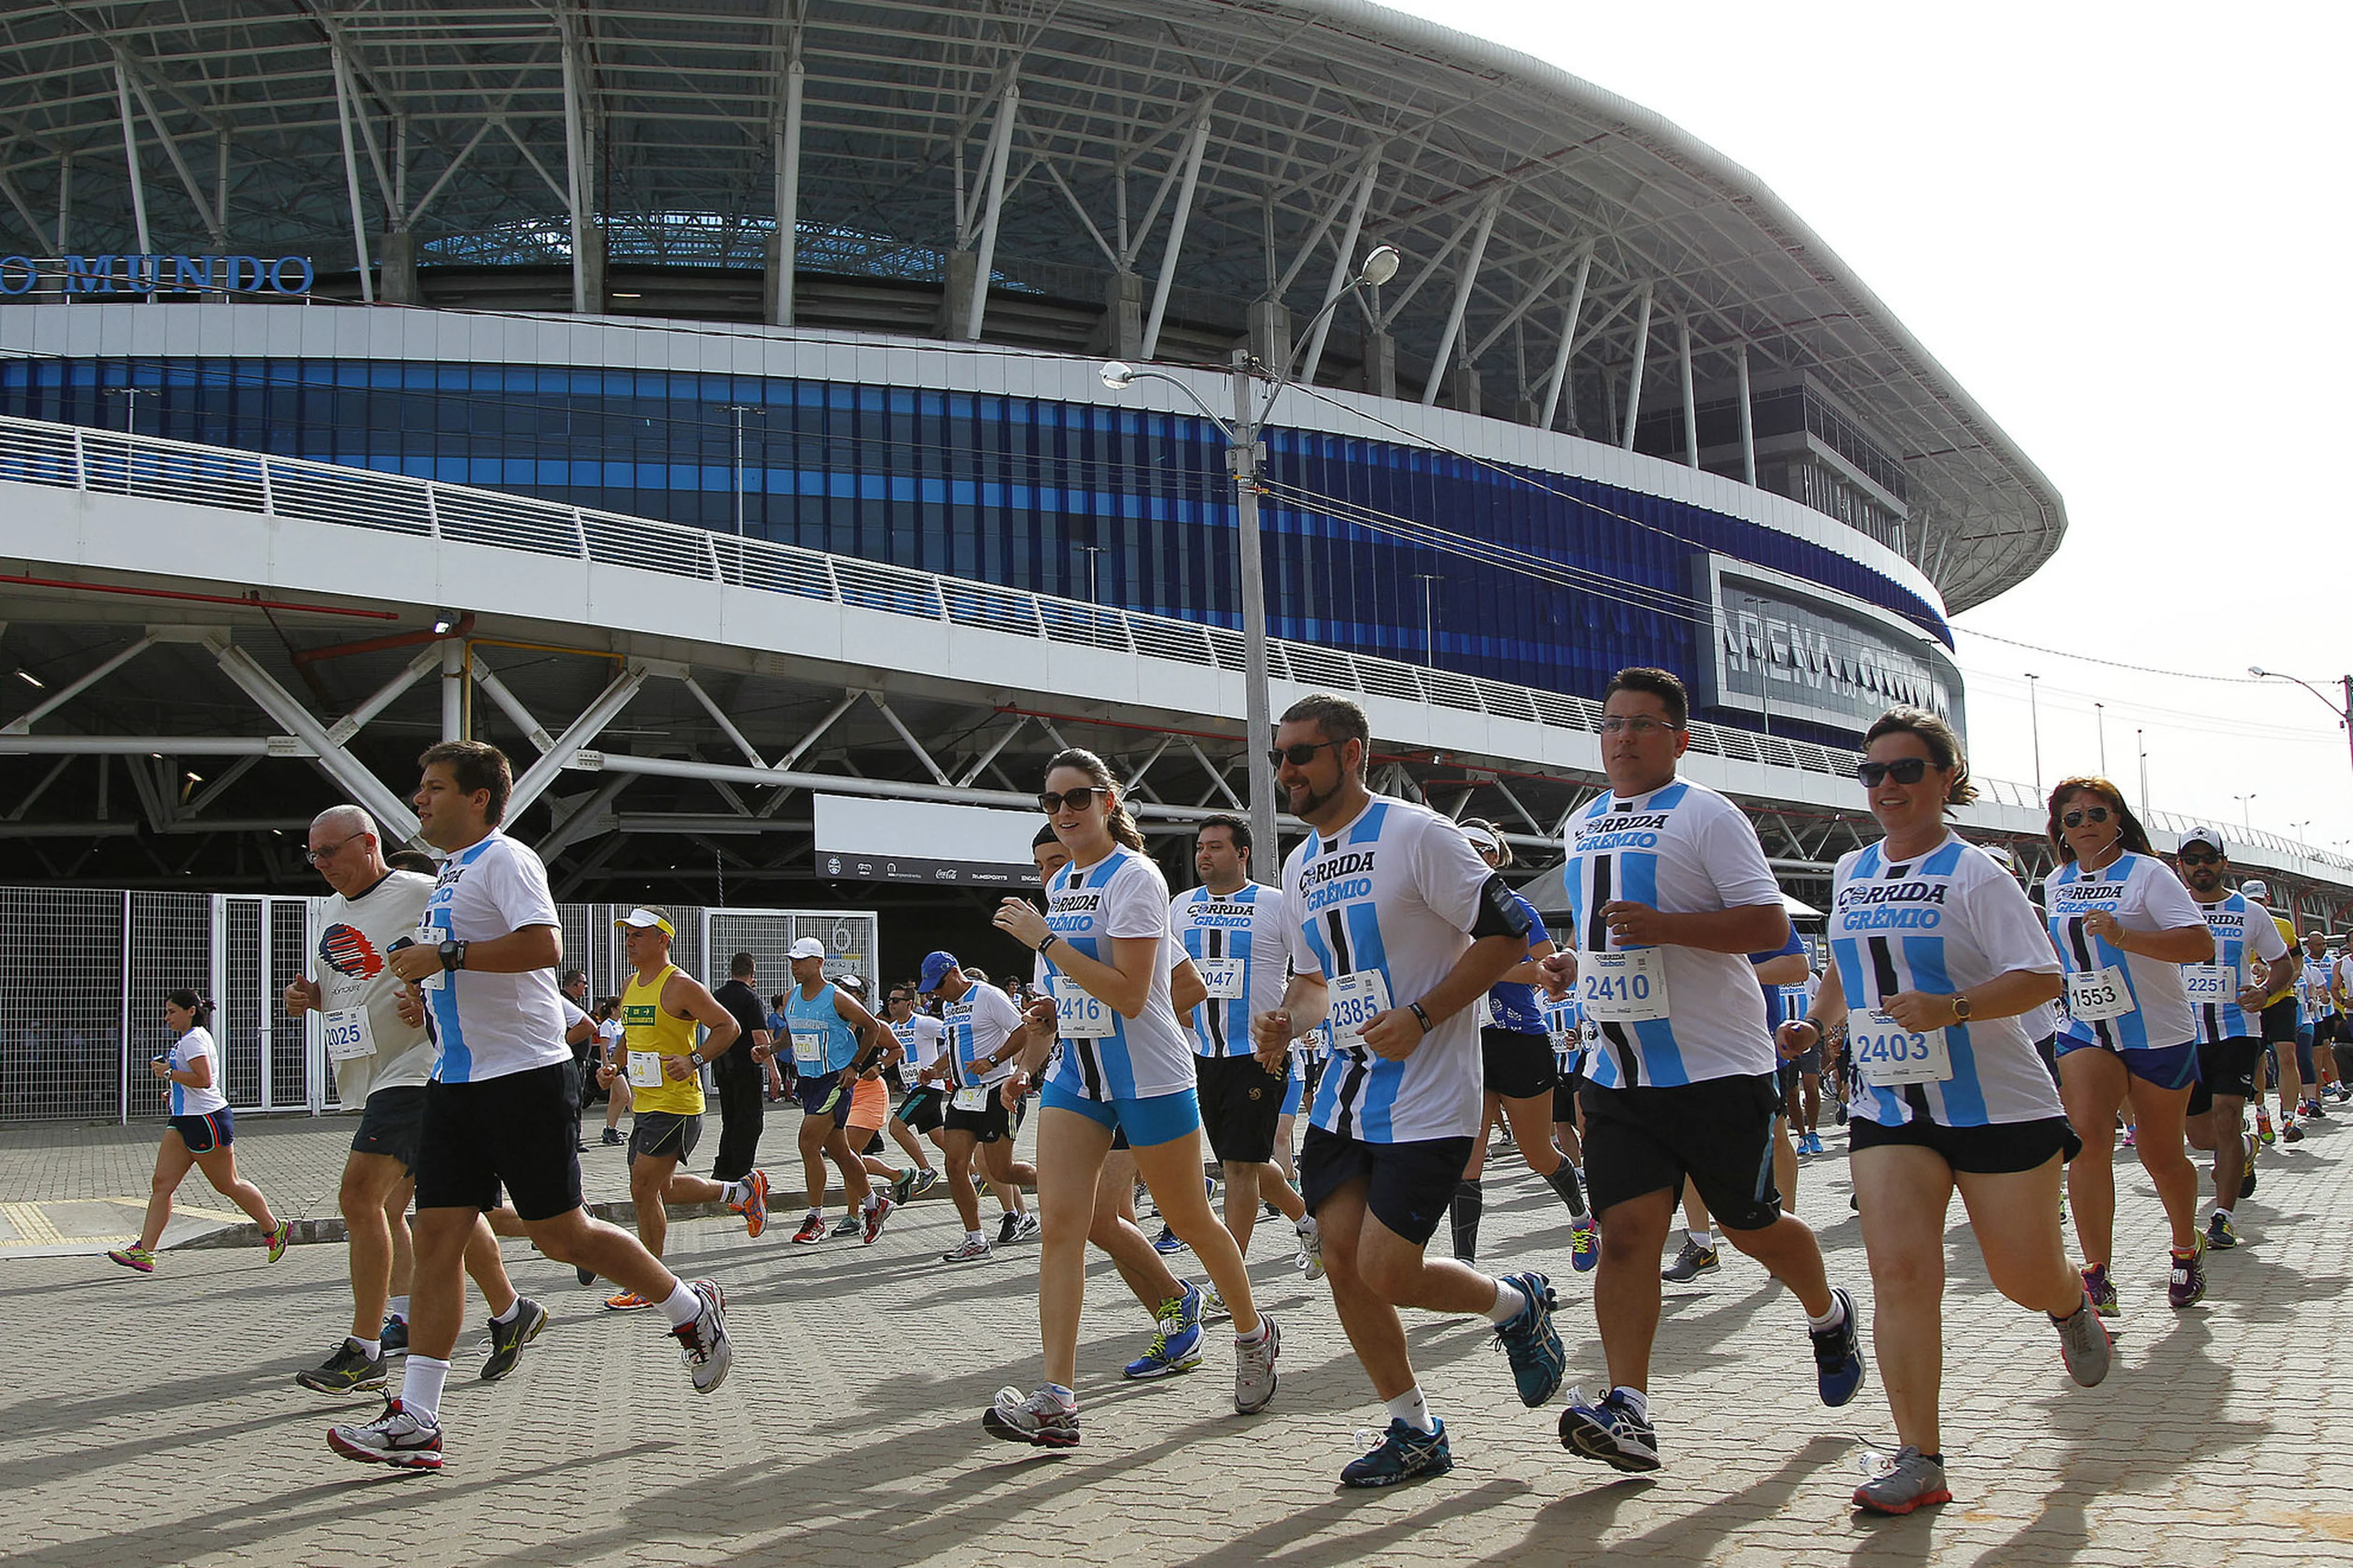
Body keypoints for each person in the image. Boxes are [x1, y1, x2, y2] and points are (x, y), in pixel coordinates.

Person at [326, 741, 729, 1471]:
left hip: (524, 1079)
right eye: (419, 787)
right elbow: (470, 970)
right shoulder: (448, 873)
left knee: (562, 1237)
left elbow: (544, 945)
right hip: (453, 1081)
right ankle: (418, 1419)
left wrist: (445, 960)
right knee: (439, 1234)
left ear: (478, 798)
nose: (419, 799)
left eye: (434, 787)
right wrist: (429, 993)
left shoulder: (506, 858)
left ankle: (688, 1307)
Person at [1776, 706, 2109, 1515]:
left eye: (1905, 770)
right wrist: (1818, 1024)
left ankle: (2068, 1300)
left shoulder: (1977, 872)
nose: (1887, 786)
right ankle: (1919, 1455)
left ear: (1946, 779)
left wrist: (1952, 1007)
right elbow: (1843, 972)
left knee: (2019, 1274)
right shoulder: (1852, 869)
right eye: (1873, 773)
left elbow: (2042, 977)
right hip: (1890, 1104)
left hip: (1996, 1105)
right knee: (1898, 1272)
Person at [1547, 668, 1862, 1475]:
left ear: (1679, 739)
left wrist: (1669, 926)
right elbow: (1613, 938)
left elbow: (1764, 923)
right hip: (1617, 1072)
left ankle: (1828, 1313)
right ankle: (1630, 1409)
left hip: (1717, 1067)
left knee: (1754, 1226)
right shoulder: (1583, 823)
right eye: (1612, 721)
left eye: (1643, 724)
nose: (1622, 737)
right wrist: (1573, 968)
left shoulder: (1708, 812)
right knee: (1625, 1237)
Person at [1251, 697, 1563, 1488]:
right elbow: (1320, 980)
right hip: (1344, 1095)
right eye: (1277, 756)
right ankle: (1414, 1426)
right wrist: (1289, 1017)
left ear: (1351, 752)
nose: (1286, 770)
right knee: (1343, 1260)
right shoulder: (1297, 865)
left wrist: (1424, 1015)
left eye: (1301, 754)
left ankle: (1515, 1303)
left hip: (1429, 1093)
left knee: (1389, 1267)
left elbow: (1510, 931)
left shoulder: (1418, 833)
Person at [981, 747, 1280, 1447]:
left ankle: (1252, 1332)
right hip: (1078, 1078)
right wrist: (1041, 1027)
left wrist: (1045, 939)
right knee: (1062, 1227)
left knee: (1191, 1219)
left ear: (1108, 802)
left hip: (1149, 1076)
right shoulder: (1064, 885)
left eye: (1077, 798)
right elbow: (1072, 990)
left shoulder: (1136, 876)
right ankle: (1057, 1397)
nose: (1064, 812)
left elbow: (1129, 992)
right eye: (1052, 802)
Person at [286, 805, 542, 1392]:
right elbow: (346, 987)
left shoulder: (423, 890)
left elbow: (483, 952)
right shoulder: (328, 910)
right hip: (370, 1070)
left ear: (368, 842)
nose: (321, 864)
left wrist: (428, 999)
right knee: (444, 1207)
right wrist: (309, 998)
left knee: (359, 1197)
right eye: (313, 855)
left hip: (420, 1065)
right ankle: (510, 1311)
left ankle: (366, 1346)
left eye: (331, 851)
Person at [2042, 775, 2215, 1316]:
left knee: (2160, 1154)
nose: (2086, 825)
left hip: (2157, 1031)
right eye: (2074, 818)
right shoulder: (2056, 881)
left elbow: (2199, 943)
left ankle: (2185, 1248)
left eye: (2097, 814)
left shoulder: (2149, 874)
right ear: (2061, 830)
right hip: (2086, 1027)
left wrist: (2125, 937)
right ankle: (2095, 1274)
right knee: (2088, 1141)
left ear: (2118, 820)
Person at [1170, 813, 1322, 1276]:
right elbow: (1163, 974)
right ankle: (1309, 1220)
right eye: (1200, 847)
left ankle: (1227, 1278)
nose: (1203, 855)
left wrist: (1289, 1024)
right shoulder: (1180, 906)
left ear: (1243, 853)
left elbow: (1312, 973)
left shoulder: (1276, 904)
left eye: (1215, 846)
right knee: (1245, 1161)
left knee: (1238, 1168)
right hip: (1200, 1055)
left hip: (1258, 1055)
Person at [595, 908, 765, 1311]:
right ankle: (740, 1190)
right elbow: (630, 1037)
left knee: (642, 1188)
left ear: (663, 940)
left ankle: (650, 1282)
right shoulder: (631, 984)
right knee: (663, 1189)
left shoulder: (681, 985)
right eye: (627, 934)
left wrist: (694, 1059)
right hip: (646, 1103)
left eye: (639, 935)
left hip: (677, 1104)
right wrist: (614, 1067)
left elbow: (729, 1027)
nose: (630, 941)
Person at [1448, 819, 1594, 1272]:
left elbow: (1546, 967)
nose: (1470, 854)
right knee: (1467, 1161)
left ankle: (1582, 1218)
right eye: (1462, 846)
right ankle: (1466, 1267)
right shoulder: (1441, 910)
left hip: (1518, 1040)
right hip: (1465, 1042)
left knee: (1538, 1152)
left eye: (1480, 848)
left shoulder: (1517, 908)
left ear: (1495, 858)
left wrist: (1492, 970)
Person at [2173, 831, 2296, 1251]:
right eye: (2193, 859)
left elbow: (2282, 964)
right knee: (2201, 1137)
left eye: (2209, 857)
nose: (2201, 865)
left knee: (2227, 1115)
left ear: (2224, 863)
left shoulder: (2249, 912)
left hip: (2237, 1028)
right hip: (2185, 1032)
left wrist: (2266, 992)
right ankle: (2245, 1146)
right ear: (2181, 865)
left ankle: (2222, 1216)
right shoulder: (2169, 909)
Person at [107, 990, 289, 1274]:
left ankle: (274, 1228)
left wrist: (168, 1073)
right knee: (162, 1184)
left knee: (227, 1184)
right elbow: (193, 1081)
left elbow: (204, 1080)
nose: (166, 1017)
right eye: (166, 1012)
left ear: (191, 1011)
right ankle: (145, 1251)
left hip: (207, 1120)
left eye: (172, 1011)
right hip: (183, 1120)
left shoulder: (195, 1039)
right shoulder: (187, 1040)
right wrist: (174, 1091)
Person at [920, 949, 1042, 1261]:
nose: (936, 993)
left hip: (997, 1091)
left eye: (938, 985)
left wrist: (993, 1060)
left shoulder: (988, 996)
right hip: (964, 1096)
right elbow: (956, 1048)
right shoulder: (949, 1006)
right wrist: (936, 1069)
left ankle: (1062, 1183)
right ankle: (975, 1238)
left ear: (954, 974)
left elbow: (1023, 1032)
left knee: (1001, 1169)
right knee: (954, 1165)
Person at [775, 937, 895, 1245]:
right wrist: (771, 1049)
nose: (795, 967)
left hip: (834, 1081)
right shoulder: (792, 997)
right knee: (842, 1152)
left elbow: (872, 1027)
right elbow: (792, 1030)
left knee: (807, 1143)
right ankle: (874, 1204)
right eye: (792, 961)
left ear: (819, 963)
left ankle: (815, 1218)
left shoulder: (837, 997)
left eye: (800, 961)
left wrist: (854, 1066)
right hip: (808, 1082)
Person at [708, 951, 772, 1188]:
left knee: (730, 1118)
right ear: (752, 973)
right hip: (746, 1065)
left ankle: (722, 1168)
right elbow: (759, 1037)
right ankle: (741, 1173)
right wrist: (773, 1071)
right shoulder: (751, 999)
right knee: (750, 1120)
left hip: (722, 1065)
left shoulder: (717, 996)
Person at [878, 982, 945, 1202]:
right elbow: (890, 1057)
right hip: (912, 1089)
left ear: (909, 1004)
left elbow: (952, 1033)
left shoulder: (924, 1023)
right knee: (939, 1137)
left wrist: (942, 1065)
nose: (891, 1005)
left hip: (928, 1088)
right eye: (889, 1001)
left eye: (896, 1001)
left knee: (897, 1127)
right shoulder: (893, 1029)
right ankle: (975, 1173)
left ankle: (926, 1171)